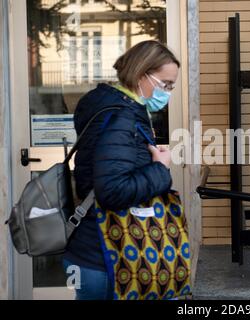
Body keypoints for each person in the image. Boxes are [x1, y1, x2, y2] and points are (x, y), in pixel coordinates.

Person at [63, 40, 179, 300]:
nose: (169, 93)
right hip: (106, 255)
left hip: (95, 251)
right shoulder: (121, 117)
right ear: (141, 75)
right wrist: (160, 169)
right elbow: (113, 191)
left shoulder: (112, 108)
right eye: (166, 84)